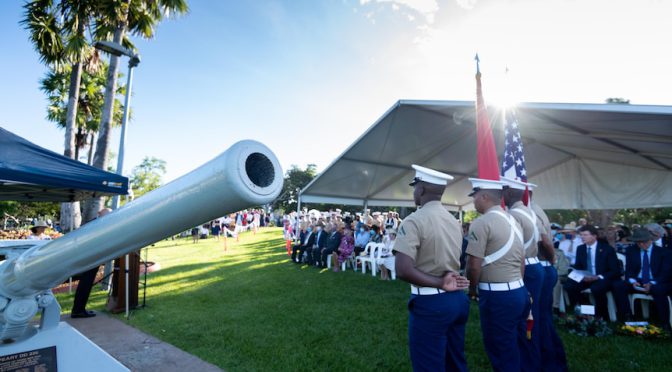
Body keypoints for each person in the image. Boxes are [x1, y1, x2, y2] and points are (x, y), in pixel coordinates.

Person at [394, 164, 469, 372]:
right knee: (456, 363)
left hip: (431, 302)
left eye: (415, 186)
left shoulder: (413, 220)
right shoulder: (454, 222)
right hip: (457, 300)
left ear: (422, 189)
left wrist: (439, 282)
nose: (414, 191)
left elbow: (402, 269)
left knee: (428, 365)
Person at [465, 177, 528, 372]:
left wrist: (472, 289)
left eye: (474, 196)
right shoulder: (513, 219)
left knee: (500, 350)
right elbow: (522, 261)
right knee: (515, 346)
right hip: (519, 291)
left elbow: (473, 265)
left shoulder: (481, 223)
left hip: (497, 296)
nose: (473, 201)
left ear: (484, 196)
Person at [501, 176, 543, 372]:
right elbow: (545, 241)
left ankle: (528, 364)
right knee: (530, 320)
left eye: (502, 189)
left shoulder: (514, 215)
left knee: (525, 323)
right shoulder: (529, 211)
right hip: (534, 265)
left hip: (523, 268)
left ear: (508, 193)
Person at [529, 188, 568, 372]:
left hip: (541, 267)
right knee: (542, 319)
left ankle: (548, 364)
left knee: (537, 321)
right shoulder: (536, 208)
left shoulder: (530, 211)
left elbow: (545, 240)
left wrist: (552, 258)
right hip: (544, 268)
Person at [612, 228, 672, 329]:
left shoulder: (663, 252)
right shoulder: (631, 250)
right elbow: (629, 270)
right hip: (638, 280)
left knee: (658, 290)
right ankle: (626, 317)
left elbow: (666, 273)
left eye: (643, 242)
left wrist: (652, 283)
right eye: (638, 242)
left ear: (650, 240)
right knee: (619, 285)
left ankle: (664, 322)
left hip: (657, 280)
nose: (640, 245)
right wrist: (632, 281)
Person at [563, 225, 620, 319]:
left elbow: (615, 270)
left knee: (597, 288)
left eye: (585, 235)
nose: (582, 237)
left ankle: (601, 315)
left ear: (594, 236)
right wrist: (580, 275)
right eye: (581, 235)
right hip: (586, 277)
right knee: (569, 286)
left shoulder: (607, 249)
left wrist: (598, 277)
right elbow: (578, 266)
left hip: (602, 277)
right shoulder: (580, 248)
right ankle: (587, 309)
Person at [71, 208, 112, 318]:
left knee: (86, 283)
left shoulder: (101, 223)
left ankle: (79, 309)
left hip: (93, 257)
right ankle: (78, 310)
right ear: (99, 213)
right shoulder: (92, 224)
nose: (107, 218)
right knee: (85, 283)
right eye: (106, 215)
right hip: (89, 257)